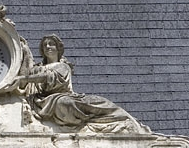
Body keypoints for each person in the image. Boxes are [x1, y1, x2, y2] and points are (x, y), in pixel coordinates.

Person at [21, 34, 149, 133]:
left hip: (60, 97)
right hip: (44, 101)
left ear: (58, 48)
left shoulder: (63, 66)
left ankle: (121, 118)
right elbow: (22, 75)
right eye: (45, 45)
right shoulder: (37, 68)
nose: (48, 47)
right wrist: (24, 51)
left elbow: (52, 77)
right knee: (64, 103)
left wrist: (28, 79)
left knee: (97, 102)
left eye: (51, 44)